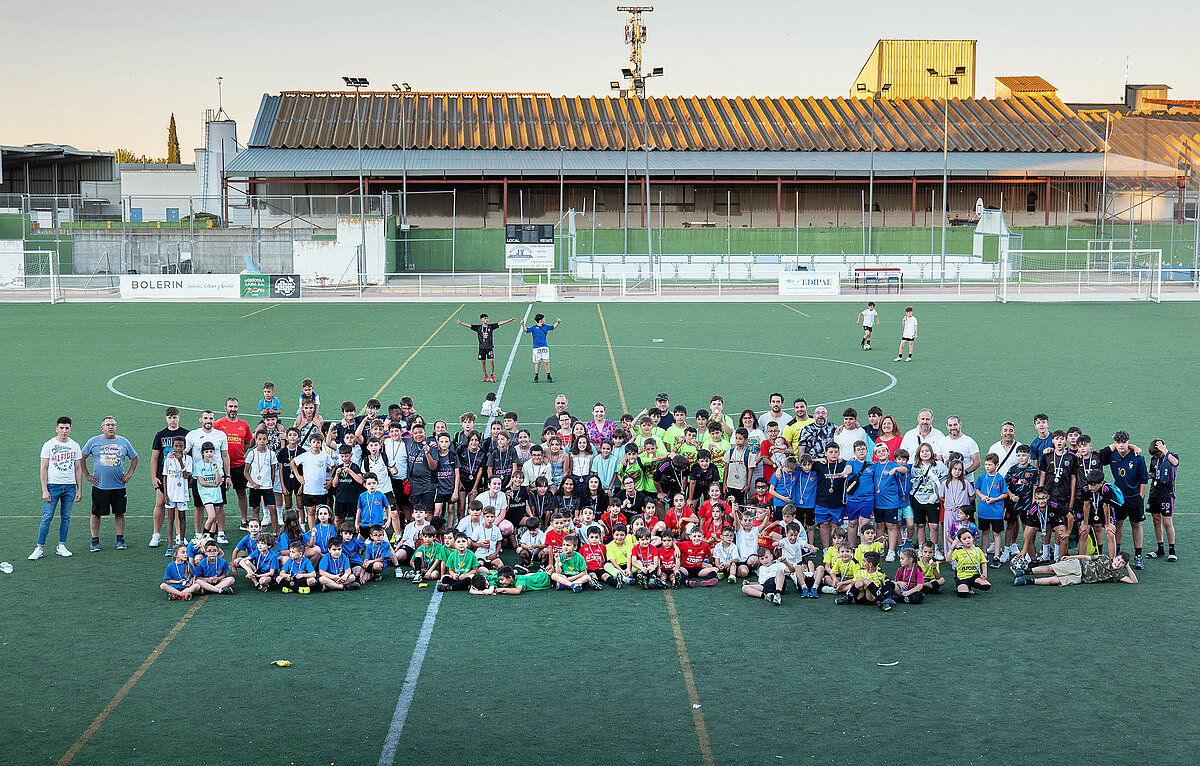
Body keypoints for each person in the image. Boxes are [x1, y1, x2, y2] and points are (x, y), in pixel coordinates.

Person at [82, 416, 138, 553]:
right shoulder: (93, 441)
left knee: (119, 512)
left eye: (113, 425)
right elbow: (81, 457)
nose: (111, 427)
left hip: (119, 486)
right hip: (100, 486)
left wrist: (129, 474)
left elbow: (134, 458)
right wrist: (87, 475)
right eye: (108, 425)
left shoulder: (123, 442)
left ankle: (120, 538)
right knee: (96, 513)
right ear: (102, 428)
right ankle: (94, 540)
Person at [1095, 430, 1150, 569]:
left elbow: (1144, 479)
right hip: (1118, 498)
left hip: (1134, 497)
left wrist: (1140, 497)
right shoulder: (1112, 455)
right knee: (1118, 523)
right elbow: (1099, 456)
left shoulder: (1138, 457)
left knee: (1136, 524)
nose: (1121, 445)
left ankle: (1138, 556)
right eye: (1118, 443)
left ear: (1128, 442)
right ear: (1114, 444)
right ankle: (1117, 553)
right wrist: (1114, 447)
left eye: (1124, 443)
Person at [31, 416, 83, 561]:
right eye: (61, 428)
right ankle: (39, 547)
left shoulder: (75, 446)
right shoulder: (48, 445)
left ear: (70, 429)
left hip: (70, 487)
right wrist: (44, 489)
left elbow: (78, 468)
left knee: (66, 517)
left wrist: (79, 489)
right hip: (52, 486)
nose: (64, 431)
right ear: (57, 429)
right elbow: (43, 468)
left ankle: (61, 546)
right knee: (47, 517)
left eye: (67, 428)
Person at [185, 410, 230, 541]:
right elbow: (185, 453)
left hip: (217, 475)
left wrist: (228, 476)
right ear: (201, 420)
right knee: (198, 507)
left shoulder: (220, 435)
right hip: (200, 476)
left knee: (219, 507)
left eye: (210, 418)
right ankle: (198, 534)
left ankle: (220, 533)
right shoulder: (192, 435)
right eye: (205, 418)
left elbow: (225, 456)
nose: (208, 421)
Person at [149, 406, 188, 548]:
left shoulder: (186, 433)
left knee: (178, 507)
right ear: (166, 418)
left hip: (180, 477)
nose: (172, 420)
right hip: (164, 475)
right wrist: (154, 477)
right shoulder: (160, 435)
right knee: (160, 503)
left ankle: (179, 535)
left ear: (179, 417)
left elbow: (189, 455)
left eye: (175, 417)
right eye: (170, 417)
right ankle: (156, 534)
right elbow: (154, 458)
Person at [214, 397, 254, 532]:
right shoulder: (218, 424)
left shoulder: (244, 424)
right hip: (221, 466)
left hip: (239, 464)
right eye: (230, 406)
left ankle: (244, 520)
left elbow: (248, 441)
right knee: (220, 496)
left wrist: (241, 451)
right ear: (225, 408)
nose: (233, 409)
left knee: (241, 492)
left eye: (235, 407)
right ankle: (219, 527)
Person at [1012, 551, 1137, 586]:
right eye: (1118, 560)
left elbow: (1133, 581)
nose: (1118, 563)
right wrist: (1071, 557)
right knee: (1052, 568)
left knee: (1055, 580)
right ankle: (1023, 572)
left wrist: (1128, 567)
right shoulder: (1104, 558)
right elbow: (1087, 557)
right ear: (1114, 558)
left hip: (1080, 578)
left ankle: (1025, 581)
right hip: (1078, 565)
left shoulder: (1116, 575)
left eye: (1122, 563)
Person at [455, 313, 517, 382]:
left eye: (487, 318)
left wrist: (510, 320)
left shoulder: (491, 326)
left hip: (489, 347)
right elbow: (469, 326)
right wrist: (460, 323)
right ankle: (485, 375)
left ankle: (492, 375)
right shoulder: (478, 327)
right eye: (485, 318)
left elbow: (500, 323)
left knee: (491, 360)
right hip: (482, 348)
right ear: (481, 320)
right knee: (483, 362)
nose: (486, 319)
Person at [1146, 439, 1179, 561]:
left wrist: (1164, 451)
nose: (1156, 456)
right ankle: (1160, 549)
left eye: (1158, 453)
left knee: (1167, 522)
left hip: (1167, 494)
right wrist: (1149, 475)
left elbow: (1175, 463)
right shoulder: (1154, 459)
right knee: (1156, 520)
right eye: (1155, 454)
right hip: (1154, 493)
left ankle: (1172, 550)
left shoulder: (1172, 456)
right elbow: (1152, 472)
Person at [521, 313, 562, 383]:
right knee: (537, 363)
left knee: (546, 362)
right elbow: (526, 330)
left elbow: (553, 327)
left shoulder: (545, 326)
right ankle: (536, 376)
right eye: (543, 319)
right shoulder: (534, 327)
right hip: (536, 348)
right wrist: (522, 324)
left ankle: (548, 376)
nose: (544, 320)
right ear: (540, 320)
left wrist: (558, 322)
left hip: (544, 347)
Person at [950, 528, 989, 597]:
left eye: (969, 537)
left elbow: (983, 562)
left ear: (972, 538)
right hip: (962, 577)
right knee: (963, 594)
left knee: (987, 586)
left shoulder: (978, 550)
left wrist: (984, 573)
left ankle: (970, 585)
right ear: (960, 542)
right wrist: (952, 547)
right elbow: (948, 559)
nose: (967, 540)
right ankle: (961, 586)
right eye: (964, 539)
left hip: (974, 576)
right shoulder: (958, 551)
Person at [939, 416, 981, 480]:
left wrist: (965, 472)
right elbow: (939, 461)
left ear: (960, 425)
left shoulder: (969, 441)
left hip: (966, 481)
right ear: (947, 427)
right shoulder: (942, 442)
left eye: (955, 425)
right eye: (950, 425)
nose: (953, 428)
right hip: (948, 482)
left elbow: (977, 462)